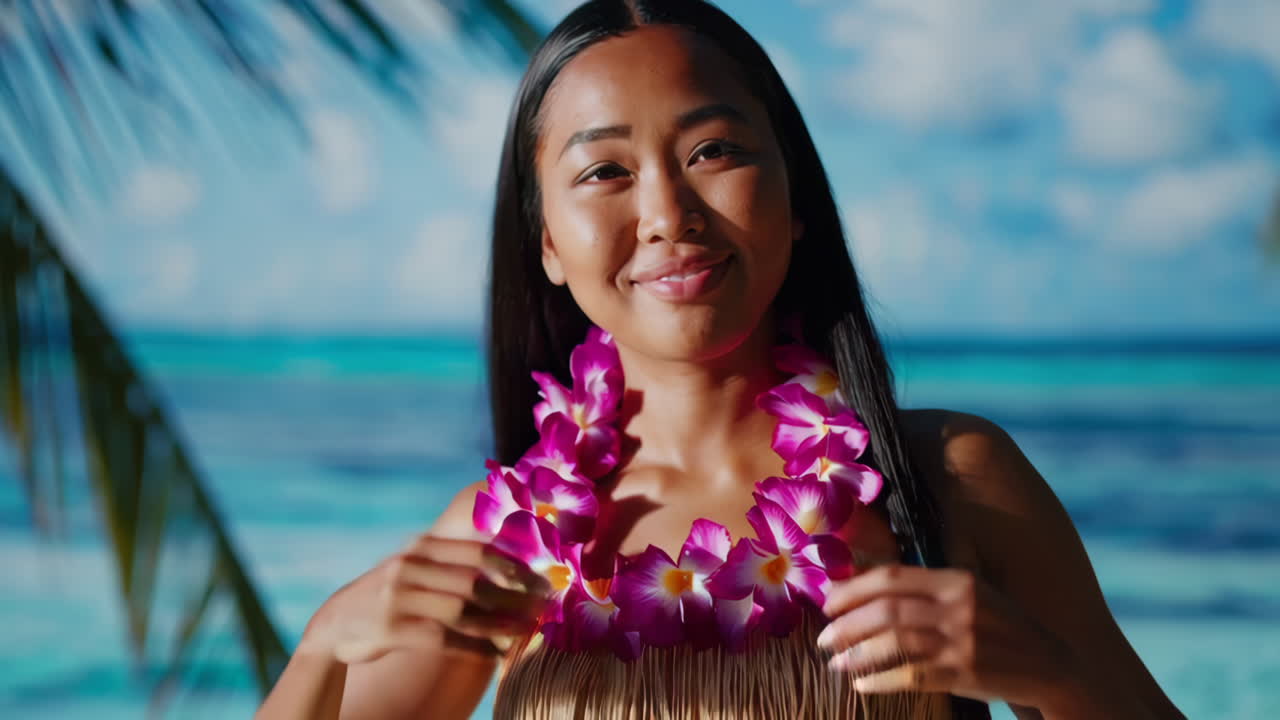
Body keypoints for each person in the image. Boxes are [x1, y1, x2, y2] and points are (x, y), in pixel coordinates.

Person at [255, 1, 1186, 718]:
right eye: (604, 172)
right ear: (546, 243)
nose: (668, 213)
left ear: (796, 199)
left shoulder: (947, 482)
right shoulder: (502, 542)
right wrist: (323, 648)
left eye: (714, 151)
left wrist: (1050, 678)